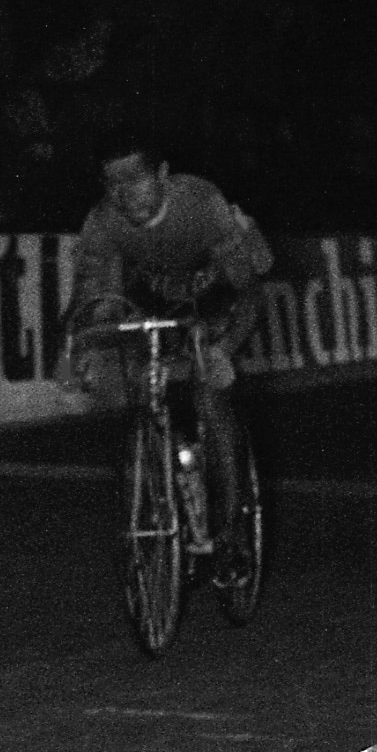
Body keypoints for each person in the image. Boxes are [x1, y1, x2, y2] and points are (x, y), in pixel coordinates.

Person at [70, 130, 272, 565]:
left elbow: (249, 290)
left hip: (214, 304)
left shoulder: (200, 203)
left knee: (208, 395)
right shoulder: (103, 222)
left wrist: (226, 347)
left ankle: (232, 528)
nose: (123, 193)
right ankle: (163, 485)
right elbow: (92, 297)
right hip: (155, 307)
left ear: (163, 175)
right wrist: (83, 345)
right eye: (112, 183)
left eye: (135, 179)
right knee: (139, 385)